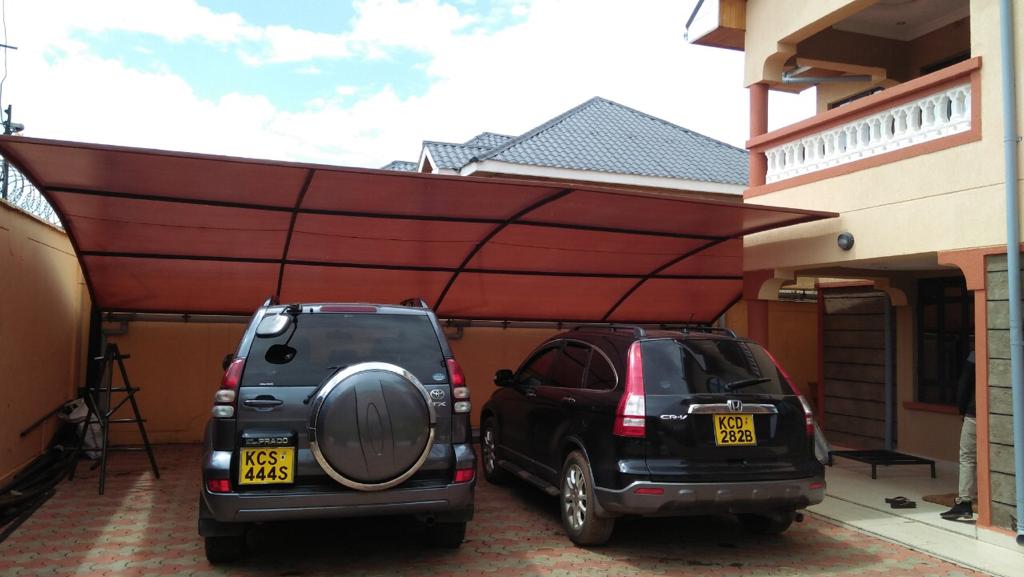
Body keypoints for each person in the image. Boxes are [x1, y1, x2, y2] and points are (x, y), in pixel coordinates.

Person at [941, 350, 976, 520]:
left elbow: (965, 382)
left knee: (968, 456)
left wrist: (962, 409)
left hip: (975, 413)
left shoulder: (976, 353)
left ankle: (964, 503)